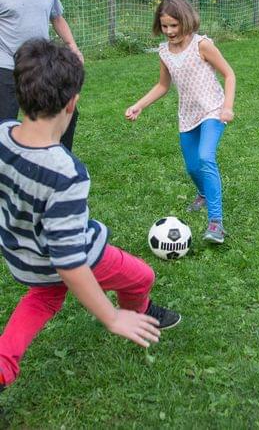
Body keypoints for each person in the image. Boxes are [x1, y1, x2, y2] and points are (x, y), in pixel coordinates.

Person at [0, 40, 180, 393]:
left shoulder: (3, 134)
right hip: (69, 257)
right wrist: (111, 316)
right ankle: (138, 314)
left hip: (23, 259)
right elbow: (69, 260)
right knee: (142, 276)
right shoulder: (65, 173)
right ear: (72, 102)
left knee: (45, 297)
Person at [125, 0, 236, 245]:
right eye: (164, 26)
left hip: (213, 110)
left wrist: (227, 107)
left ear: (186, 21)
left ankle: (216, 223)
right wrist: (139, 105)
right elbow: (163, 85)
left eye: (174, 25)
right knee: (192, 167)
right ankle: (204, 194)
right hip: (187, 115)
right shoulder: (164, 51)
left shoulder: (202, 45)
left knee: (206, 157)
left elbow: (229, 74)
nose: (169, 31)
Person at [0, 0, 83, 150]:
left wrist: (72, 46)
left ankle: (58, 157)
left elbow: (56, 17)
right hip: (6, 66)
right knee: (4, 121)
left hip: (41, 65)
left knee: (66, 111)